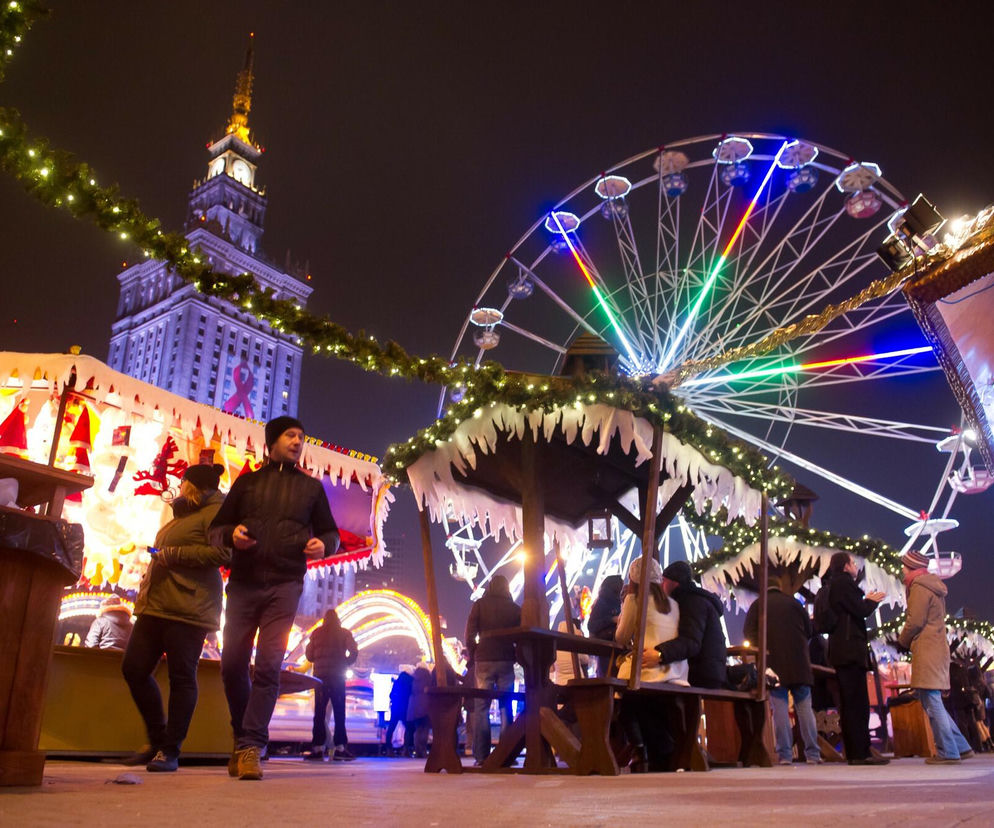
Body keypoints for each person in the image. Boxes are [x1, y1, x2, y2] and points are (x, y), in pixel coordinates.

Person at [210, 416, 340, 780]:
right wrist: (231, 534)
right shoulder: (247, 483)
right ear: (272, 441)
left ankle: (252, 745)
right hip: (243, 583)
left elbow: (331, 533)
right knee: (232, 664)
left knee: (268, 665)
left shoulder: (311, 489)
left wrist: (323, 544)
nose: (298, 442)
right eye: (291, 435)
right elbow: (215, 529)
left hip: (286, 585)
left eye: (302, 436)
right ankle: (242, 737)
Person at [120, 463, 229, 772]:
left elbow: (224, 555)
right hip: (156, 604)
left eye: (183, 484)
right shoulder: (184, 514)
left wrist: (174, 555)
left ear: (191, 486)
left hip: (188, 608)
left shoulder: (218, 513)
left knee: (182, 678)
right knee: (134, 668)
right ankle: (156, 738)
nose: (179, 488)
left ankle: (169, 750)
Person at [897, 548, 974, 764]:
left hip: (926, 647)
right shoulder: (932, 586)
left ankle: (948, 751)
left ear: (911, 567)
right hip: (935, 646)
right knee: (929, 698)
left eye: (904, 566)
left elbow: (915, 620)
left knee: (931, 700)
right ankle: (960, 746)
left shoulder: (920, 587)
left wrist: (902, 641)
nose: (902, 570)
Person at [616, 556, 687, 772]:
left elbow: (621, 637)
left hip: (647, 669)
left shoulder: (634, 600)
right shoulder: (673, 604)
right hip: (674, 670)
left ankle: (639, 748)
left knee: (622, 699)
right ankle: (653, 750)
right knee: (645, 704)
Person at [743, 574, 823, 765]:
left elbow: (749, 634)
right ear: (779, 587)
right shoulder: (794, 603)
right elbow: (810, 630)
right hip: (800, 663)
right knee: (805, 709)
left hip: (773, 664)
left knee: (779, 709)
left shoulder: (758, 605)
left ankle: (785, 754)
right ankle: (813, 753)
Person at [825, 551, 888, 765]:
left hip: (841, 650)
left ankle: (856, 752)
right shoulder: (844, 584)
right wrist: (871, 601)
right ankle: (860, 753)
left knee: (850, 702)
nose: (855, 566)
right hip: (850, 650)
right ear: (845, 566)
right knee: (857, 703)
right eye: (852, 563)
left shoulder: (834, 585)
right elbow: (859, 610)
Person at [464, 574, 521, 764]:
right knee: (506, 706)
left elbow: (470, 633)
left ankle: (482, 755)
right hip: (505, 659)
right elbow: (520, 637)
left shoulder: (480, 604)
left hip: (484, 658)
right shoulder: (514, 608)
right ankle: (506, 753)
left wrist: (474, 653)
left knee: (481, 707)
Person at [643, 559, 726, 688]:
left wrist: (660, 654)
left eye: (663, 580)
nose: (660, 585)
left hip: (701, 674)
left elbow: (691, 641)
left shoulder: (692, 602)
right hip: (708, 671)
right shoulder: (694, 599)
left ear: (673, 582)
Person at [304, 608, 358, 762]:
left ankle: (318, 749)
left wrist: (320, 661)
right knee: (339, 713)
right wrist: (344, 663)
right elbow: (354, 651)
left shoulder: (316, 633)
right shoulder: (344, 633)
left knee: (319, 714)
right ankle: (340, 749)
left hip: (320, 679)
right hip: (337, 678)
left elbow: (309, 655)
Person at [588, 574, 623, 677]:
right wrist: (612, 620)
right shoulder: (602, 602)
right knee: (609, 675)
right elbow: (592, 625)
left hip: (608, 647)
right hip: (608, 646)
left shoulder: (615, 601)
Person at [385, 668, 414, 756]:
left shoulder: (397, 682)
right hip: (405, 708)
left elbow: (391, 695)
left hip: (395, 708)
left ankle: (389, 749)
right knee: (409, 729)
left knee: (391, 728)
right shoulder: (410, 682)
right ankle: (406, 749)